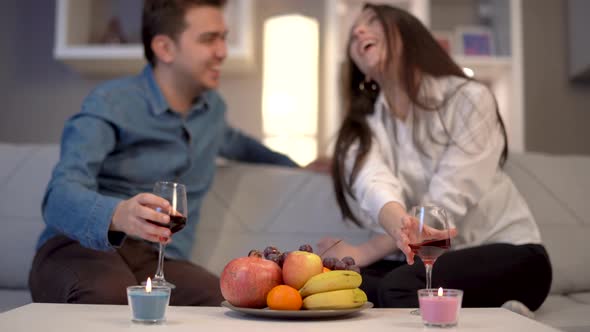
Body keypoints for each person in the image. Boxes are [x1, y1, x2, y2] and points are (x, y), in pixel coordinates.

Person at [29, 0, 299, 306]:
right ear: (165, 48)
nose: (222, 51)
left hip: (160, 259)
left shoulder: (212, 111)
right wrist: (118, 215)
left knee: (226, 304)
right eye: (209, 39)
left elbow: (241, 145)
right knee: (108, 296)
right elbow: (58, 196)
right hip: (81, 246)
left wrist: (303, 165)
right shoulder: (111, 102)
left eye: (223, 37)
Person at [318, 4, 552, 311]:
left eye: (372, 21)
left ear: (409, 35)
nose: (358, 31)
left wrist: (366, 250)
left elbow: (443, 208)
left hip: (510, 253)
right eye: (353, 33)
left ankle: (505, 316)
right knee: (342, 281)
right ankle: (492, 312)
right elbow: (374, 186)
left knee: (397, 286)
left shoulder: (469, 98)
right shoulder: (360, 131)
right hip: (424, 259)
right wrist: (396, 232)